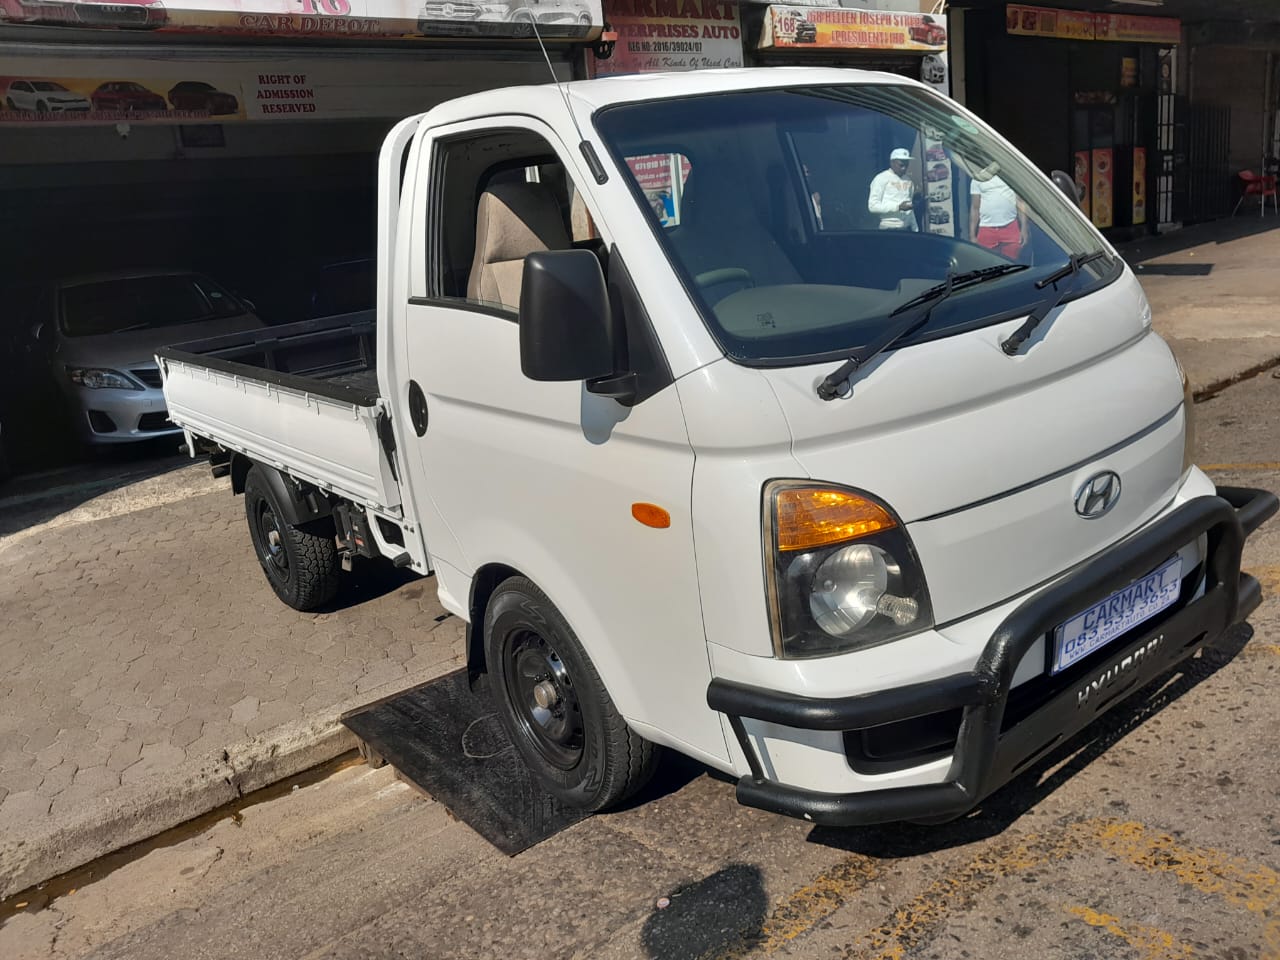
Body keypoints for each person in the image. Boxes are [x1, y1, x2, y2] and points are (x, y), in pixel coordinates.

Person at [969, 174, 1027, 259]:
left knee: (1012, 264)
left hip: (1010, 227)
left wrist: (1024, 229)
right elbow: (975, 208)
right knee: (988, 264)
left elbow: (1020, 203)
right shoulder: (978, 178)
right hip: (987, 230)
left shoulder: (1010, 175)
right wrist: (972, 235)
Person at [868, 148, 918, 231]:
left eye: (906, 165)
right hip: (888, 228)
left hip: (906, 228)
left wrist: (915, 228)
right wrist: (898, 207)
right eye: (901, 165)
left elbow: (909, 208)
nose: (904, 168)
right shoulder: (881, 179)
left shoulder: (908, 181)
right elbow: (872, 206)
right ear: (892, 163)